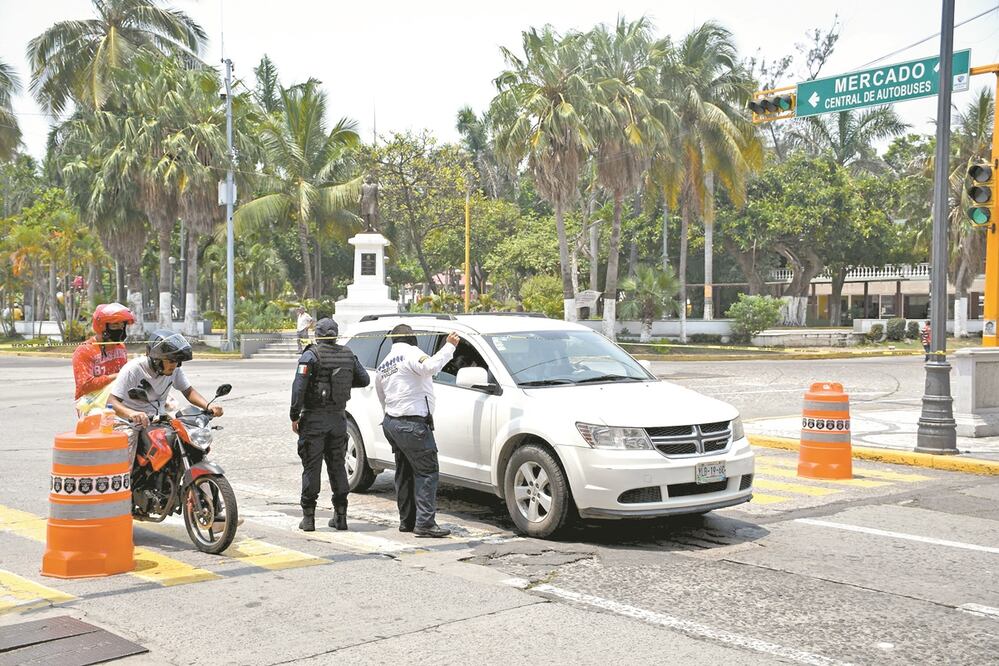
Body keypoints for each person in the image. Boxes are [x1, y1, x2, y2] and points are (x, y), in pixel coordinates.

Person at [375, 324, 459, 538]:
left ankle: (407, 522)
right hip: (413, 425)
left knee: (404, 473)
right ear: (413, 338)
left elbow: (381, 396)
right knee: (426, 472)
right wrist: (449, 346)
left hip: (392, 423)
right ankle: (425, 524)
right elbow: (430, 367)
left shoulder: (384, 364)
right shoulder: (412, 353)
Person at [289, 318, 370, 532]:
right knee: (338, 467)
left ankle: (308, 518)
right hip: (338, 420)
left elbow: (299, 388)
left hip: (314, 419)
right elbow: (364, 379)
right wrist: (340, 382)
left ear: (317, 335)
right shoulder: (348, 354)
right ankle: (340, 516)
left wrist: (294, 415)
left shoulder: (310, 355)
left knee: (311, 469)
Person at [108, 330, 223, 466]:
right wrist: (132, 414)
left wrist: (208, 406)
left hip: (157, 418)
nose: (174, 365)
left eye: (178, 361)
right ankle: (123, 483)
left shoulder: (174, 370)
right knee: (126, 457)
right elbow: (111, 401)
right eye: (171, 361)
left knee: (183, 440)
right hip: (127, 421)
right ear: (156, 358)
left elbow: (188, 391)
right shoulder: (134, 369)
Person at [73, 303, 134, 416]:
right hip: (90, 403)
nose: (120, 329)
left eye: (122, 325)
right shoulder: (85, 350)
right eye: (115, 325)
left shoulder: (120, 347)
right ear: (102, 326)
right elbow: (85, 385)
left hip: (116, 397)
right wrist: (116, 376)